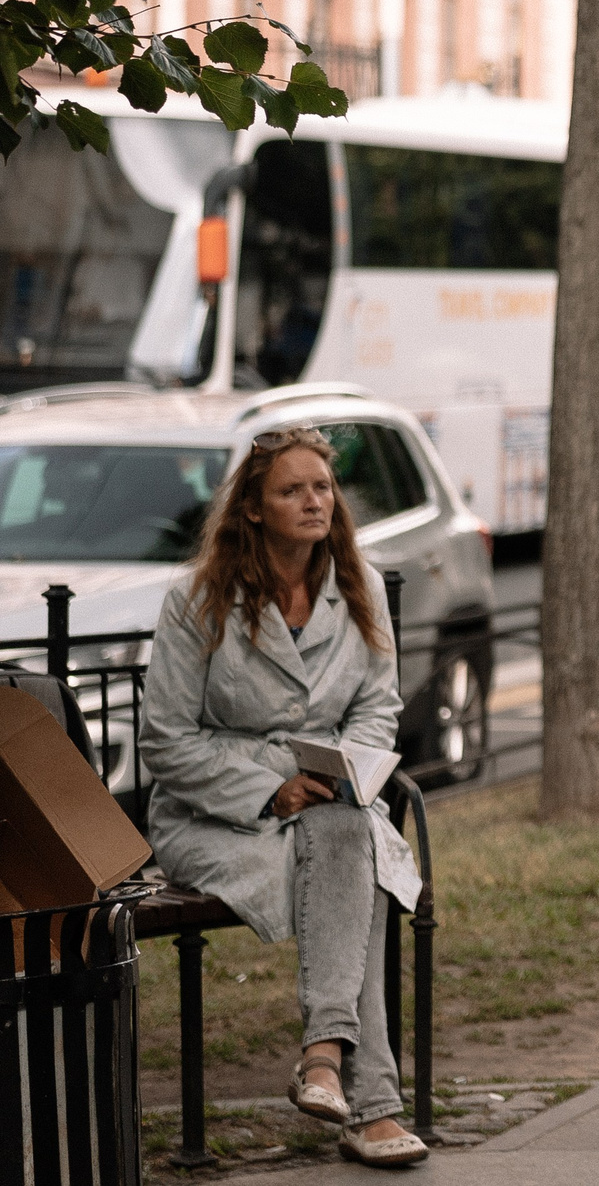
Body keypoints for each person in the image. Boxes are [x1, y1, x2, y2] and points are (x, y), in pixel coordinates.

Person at [137, 427, 426, 1170]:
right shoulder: (198, 600)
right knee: (351, 863)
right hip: (215, 818)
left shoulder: (357, 589)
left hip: (332, 802)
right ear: (255, 508)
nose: (313, 500)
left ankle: (326, 1057)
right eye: (292, 489)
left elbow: (377, 709)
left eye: (323, 487)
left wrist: (342, 768)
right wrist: (272, 788)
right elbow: (166, 742)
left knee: (343, 837)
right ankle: (372, 1103)